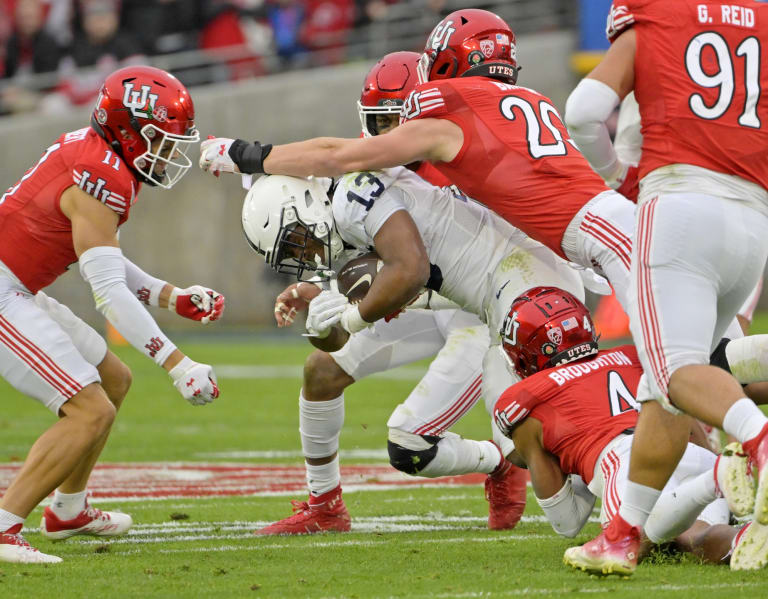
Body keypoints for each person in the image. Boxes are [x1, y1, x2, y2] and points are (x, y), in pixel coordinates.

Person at [239, 51, 529, 535]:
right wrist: (321, 287)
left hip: (477, 311)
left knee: (412, 445)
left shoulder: (468, 157)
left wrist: (362, 305)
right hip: (422, 295)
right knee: (321, 371)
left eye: (400, 121)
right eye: (382, 122)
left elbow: (419, 268)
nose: (391, 134)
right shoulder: (369, 170)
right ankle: (324, 506)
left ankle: (499, 459)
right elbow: (374, 253)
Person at [199, 7, 638, 312]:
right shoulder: (529, 98)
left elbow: (342, 156)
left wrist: (247, 154)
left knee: (669, 376)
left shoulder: (455, 104)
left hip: (589, 239)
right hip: (594, 236)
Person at [560, 0, 768, 575]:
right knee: (665, 385)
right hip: (752, 219)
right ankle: (623, 535)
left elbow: (585, 109)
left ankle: (760, 441)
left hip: (677, 202)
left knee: (676, 369)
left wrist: (619, 178)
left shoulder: (656, 16)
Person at [0, 65, 223, 564]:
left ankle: (68, 509)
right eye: (162, 139)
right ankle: (3, 526)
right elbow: (109, 293)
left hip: (16, 285)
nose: (169, 152)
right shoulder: (101, 173)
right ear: (129, 130)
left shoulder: (101, 157)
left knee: (112, 379)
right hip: (3, 289)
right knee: (89, 409)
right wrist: (177, 364)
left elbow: (101, 252)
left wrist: (171, 296)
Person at [493, 286, 767, 571]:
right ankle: (738, 530)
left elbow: (568, 522)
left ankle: (712, 481)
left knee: (629, 541)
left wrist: (568, 458)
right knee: (695, 537)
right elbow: (679, 412)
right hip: (685, 451)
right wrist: (707, 457)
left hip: (626, 462)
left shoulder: (527, 399)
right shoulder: (632, 355)